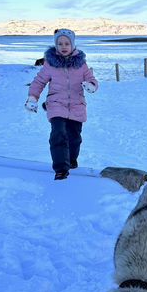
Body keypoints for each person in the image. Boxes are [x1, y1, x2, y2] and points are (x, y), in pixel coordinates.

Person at [25, 28, 99, 180]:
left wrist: (91, 86)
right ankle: (60, 168)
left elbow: (92, 80)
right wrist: (33, 97)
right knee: (58, 134)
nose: (63, 46)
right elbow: (39, 81)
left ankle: (71, 160)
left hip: (77, 105)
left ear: (72, 45)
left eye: (66, 43)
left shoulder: (81, 64)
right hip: (56, 103)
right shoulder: (50, 64)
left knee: (74, 137)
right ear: (56, 45)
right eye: (60, 43)